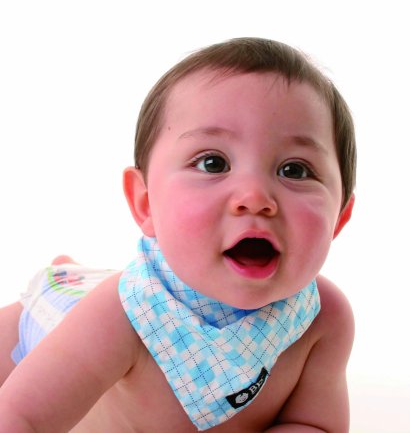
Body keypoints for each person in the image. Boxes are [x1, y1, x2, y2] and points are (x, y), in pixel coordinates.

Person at [0, 37, 356, 432]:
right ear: (145, 203)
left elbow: (315, 424)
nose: (255, 198)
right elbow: (20, 417)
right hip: (47, 320)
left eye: (295, 170)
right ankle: (67, 274)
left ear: (340, 217)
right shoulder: (124, 313)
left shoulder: (322, 318)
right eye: (213, 163)